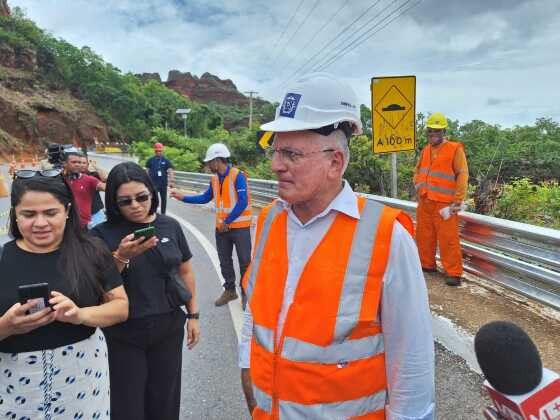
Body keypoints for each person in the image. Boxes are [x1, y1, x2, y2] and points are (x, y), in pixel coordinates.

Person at [239, 74, 435, 419]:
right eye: (276, 150)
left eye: (291, 154)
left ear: (335, 162)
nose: (275, 165)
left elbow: (412, 361)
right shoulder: (268, 221)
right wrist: (247, 372)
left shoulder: (387, 237)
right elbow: (257, 313)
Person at [0, 169, 128, 419]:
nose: (40, 223)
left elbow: (120, 307)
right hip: (15, 388)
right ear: (14, 213)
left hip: (84, 380)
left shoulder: (92, 250)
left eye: (51, 213)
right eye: (28, 214)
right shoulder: (2, 258)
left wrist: (80, 314)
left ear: (67, 211)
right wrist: (6, 326)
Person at [91, 161, 200, 420]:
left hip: (168, 327)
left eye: (142, 197)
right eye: (125, 201)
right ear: (114, 203)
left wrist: (193, 316)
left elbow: (185, 270)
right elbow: (96, 288)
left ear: (152, 193)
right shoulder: (100, 235)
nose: (136, 206)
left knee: (164, 402)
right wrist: (120, 256)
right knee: (127, 406)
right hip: (123, 334)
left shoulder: (170, 226)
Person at [170, 143, 252, 308]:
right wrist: (183, 198)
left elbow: (243, 202)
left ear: (218, 160)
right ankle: (230, 291)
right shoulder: (214, 179)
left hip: (239, 227)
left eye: (210, 162)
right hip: (222, 228)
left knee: (244, 261)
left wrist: (227, 222)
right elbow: (205, 198)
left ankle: (245, 292)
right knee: (224, 261)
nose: (208, 165)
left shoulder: (238, 176)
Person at [414, 112, 469, 286]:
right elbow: (417, 172)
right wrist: (419, 188)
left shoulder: (455, 149)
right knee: (424, 235)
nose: (433, 134)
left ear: (444, 131)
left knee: (448, 239)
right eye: (430, 130)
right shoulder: (425, 150)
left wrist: (458, 200)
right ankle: (427, 265)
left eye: (437, 131)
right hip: (426, 201)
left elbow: (462, 174)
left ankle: (453, 273)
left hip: (445, 203)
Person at [63, 150, 106, 227]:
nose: (77, 165)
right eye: (74, 162)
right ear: (65, 164)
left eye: (79, 162)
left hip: (89, 222)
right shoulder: (58, 180)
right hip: (68, 223)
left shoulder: (89, 179)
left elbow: (107, 187)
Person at [145, 143, 174, 214]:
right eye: (157, 151)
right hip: (153, 183)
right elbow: (147, 171)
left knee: (164, 199)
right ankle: (153, 212)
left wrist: (171, 181)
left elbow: (170, 170)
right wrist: (145, 181)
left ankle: (163, 213)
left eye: (160, 151)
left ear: (162, 151)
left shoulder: (166, 160)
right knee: (154, 198)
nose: (158, 152)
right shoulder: (150, 160)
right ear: (154, 151)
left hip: (163, 183)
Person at [80, 156, 108, 229]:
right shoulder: (71, 178)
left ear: (87, 164)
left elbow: (105, 178)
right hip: (80, 216)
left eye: (84, 163)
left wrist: (95, 166)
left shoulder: (93, 175)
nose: (82, 165)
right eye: (80, 163)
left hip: (96, 213)